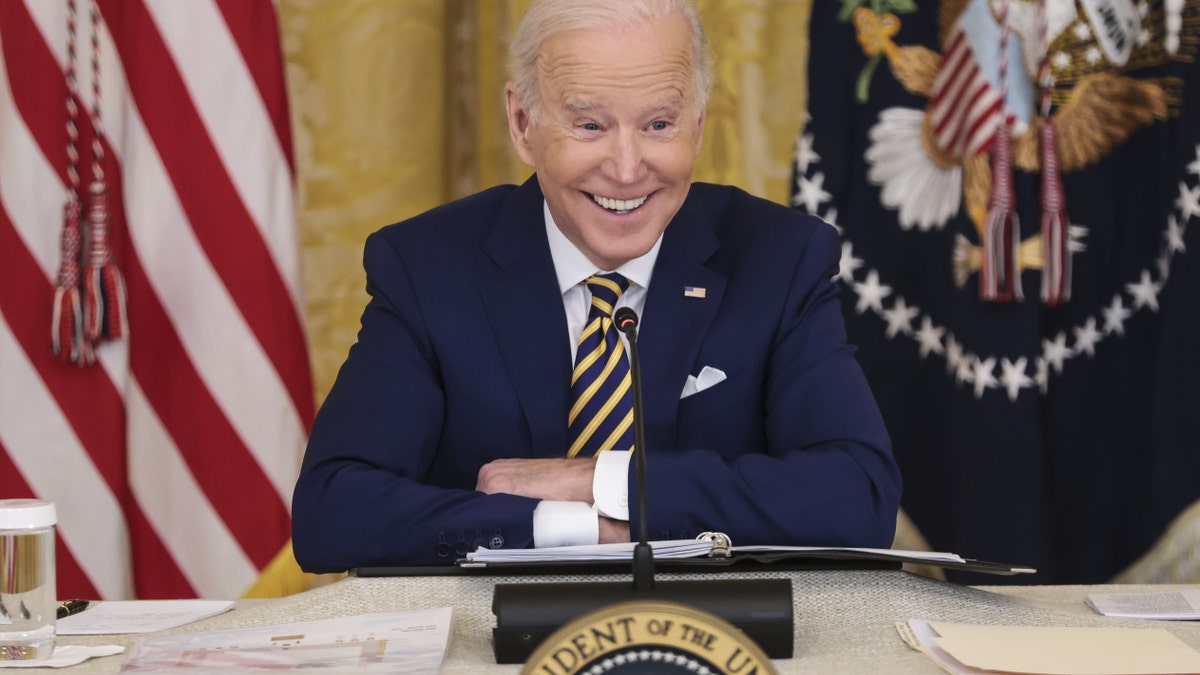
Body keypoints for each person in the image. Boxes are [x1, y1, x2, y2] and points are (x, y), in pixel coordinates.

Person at [292, 0, 901, 572]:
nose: (628, 168)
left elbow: (858, 497)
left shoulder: (780, 258)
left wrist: (597, 484)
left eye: (659, 124)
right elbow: (334, 511)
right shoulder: (426, 266)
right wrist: (579, 530)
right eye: (589, 125)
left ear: (698, 122)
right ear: (522, 122)